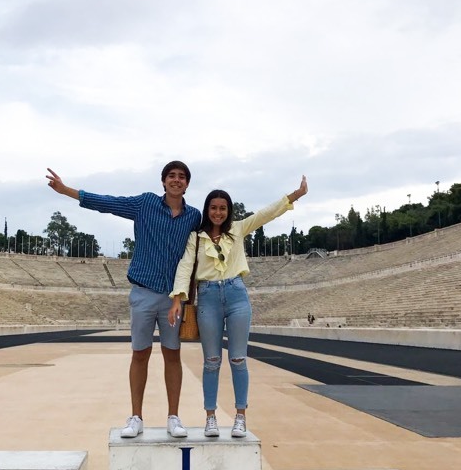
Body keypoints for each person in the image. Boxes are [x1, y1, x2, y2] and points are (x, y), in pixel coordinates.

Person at [46, 162, 200, 438]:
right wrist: (66, 191)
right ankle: (136, 417)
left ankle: (173, 417)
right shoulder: (145, 204)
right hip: (142, 292)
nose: (176, 181)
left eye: (182, 177)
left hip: (173, 297)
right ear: (163, 181)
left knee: (172, 355)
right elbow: (108, 203)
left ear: (187, 184)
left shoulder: (194, 216)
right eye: (171, 176)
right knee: (140, 353)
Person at [168, 176, 308, 438]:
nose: (218, 212)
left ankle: (240, 416)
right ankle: (210, 416)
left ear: (228, 210)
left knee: (238, 359)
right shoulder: (196, 238)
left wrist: (294, 196)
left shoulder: (239, 229)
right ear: (207, 210)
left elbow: (266, 214)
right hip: (208, 297)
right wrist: (178, 298)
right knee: (211, 361)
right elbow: (186, 266)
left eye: (223, 208)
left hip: (236, 295)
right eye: (213, 208)